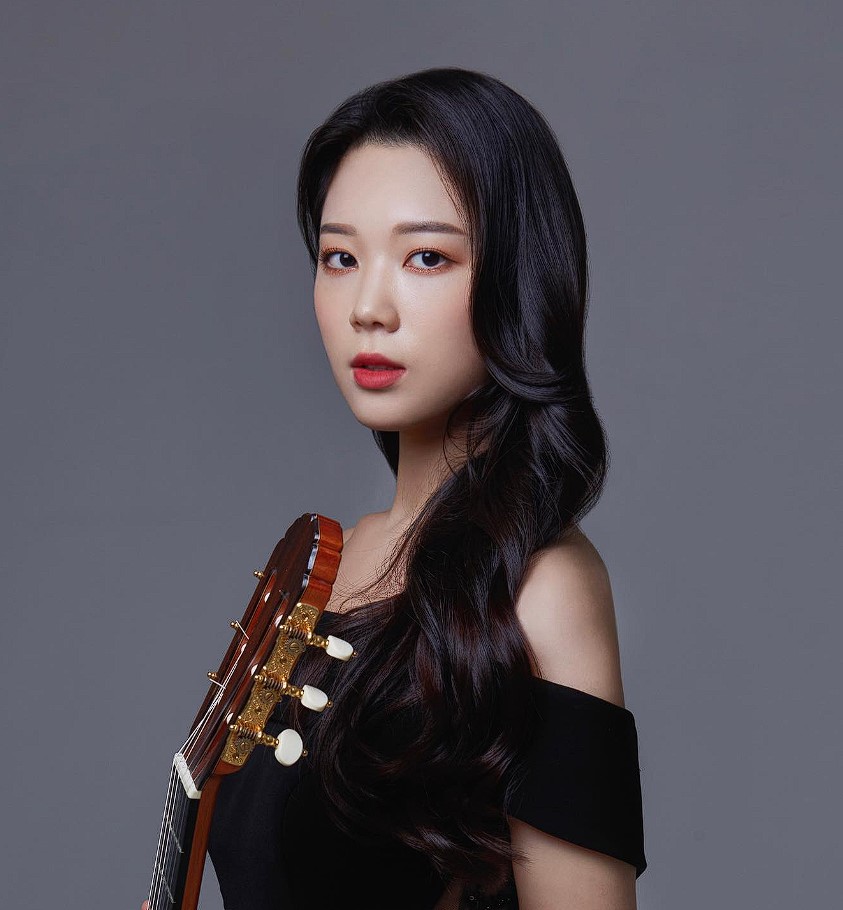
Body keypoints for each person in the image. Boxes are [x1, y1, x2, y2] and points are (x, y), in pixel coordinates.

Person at [145, 65, 646, 910]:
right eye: (340, 257)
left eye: (425, 257)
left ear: (517, 279)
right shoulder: (327, 564)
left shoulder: (542, 583)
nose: (367, 307)